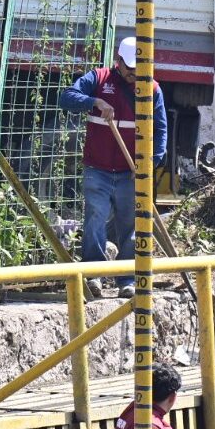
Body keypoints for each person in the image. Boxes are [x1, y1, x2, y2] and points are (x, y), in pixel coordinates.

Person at [57, 36, 168, 262]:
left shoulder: (152, 89)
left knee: (130, 224)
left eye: (139, 68)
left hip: (130, 171)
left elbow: (161, 129)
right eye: (129, 68)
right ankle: (94, 274)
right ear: (119, 60)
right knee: (95, 217)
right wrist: (95, 102)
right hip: (98, 168)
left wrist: (150, 163)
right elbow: (66, 98)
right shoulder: (98, 78)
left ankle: (127, 279)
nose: (133, 73)